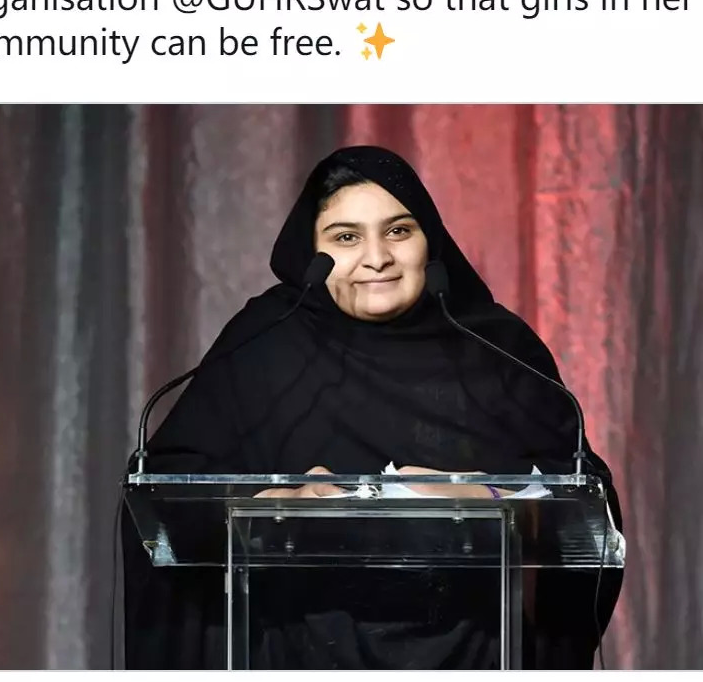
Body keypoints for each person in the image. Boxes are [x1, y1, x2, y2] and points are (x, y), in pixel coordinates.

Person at [122, 145, 623, 669]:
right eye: (346, 237)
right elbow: (167, 495)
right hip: (295, 652)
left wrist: (491, 499)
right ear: (311, 252)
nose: (377, 257)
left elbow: (585, 500)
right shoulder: (263, 342)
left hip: (476, 652)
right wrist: (270, 504)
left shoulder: (497, 346)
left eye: (399, 231)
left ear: (430, 240)